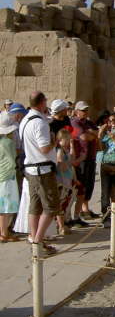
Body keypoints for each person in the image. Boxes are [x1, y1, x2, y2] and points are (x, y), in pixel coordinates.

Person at [18, 91, 59, 255]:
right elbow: (43, 148)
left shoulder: (24, 120)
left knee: (35, 206)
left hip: (30, 168)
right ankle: (38, 241)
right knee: (51, 207)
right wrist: (54, 141)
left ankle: (35, 238)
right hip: (42, 169)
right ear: (42, 102)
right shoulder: (40, 123)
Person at [70, 101, 99, 219]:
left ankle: (85, 207)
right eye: (83, 110)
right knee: (81, 184)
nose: (85, 112)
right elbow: (84, 137)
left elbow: (98, 134)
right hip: (80, 158)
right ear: (76, 111)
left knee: (89, 183)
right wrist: (92, 134)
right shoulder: (75, 123)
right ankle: (80, 209)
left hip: (91, 157)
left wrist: (93, 134)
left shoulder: (89, 123)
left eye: (86, 110)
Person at [0, 111, 21, 242]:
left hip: (2, 176)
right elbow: (12, 159)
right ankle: (4, 232)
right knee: (6, 207)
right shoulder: (7, 143)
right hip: (7, 176)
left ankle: (4, 231)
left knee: (3, 206)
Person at [55, 128, 75, 237]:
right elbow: (61, 165)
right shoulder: (59, 151)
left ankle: (62, 225)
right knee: (61, 205)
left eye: (69, 139)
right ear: (59, 140)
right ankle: (61, 226)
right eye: (65, 139)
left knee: (65, 204)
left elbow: (73, 158)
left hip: (67, 180)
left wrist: (72, 147)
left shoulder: (66, 150)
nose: (67, 141)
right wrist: (67, 164)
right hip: (62, 181)